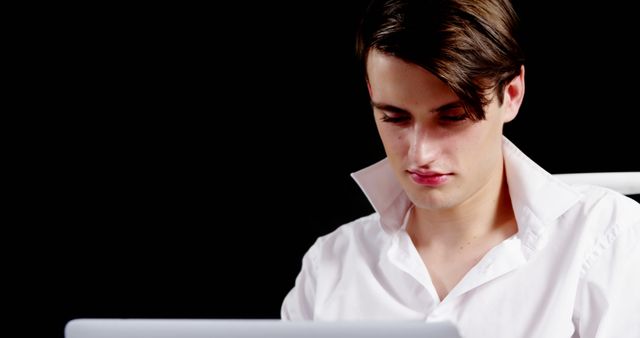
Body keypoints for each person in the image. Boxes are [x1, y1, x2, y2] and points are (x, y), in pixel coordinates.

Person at [281, 0, 639, 337]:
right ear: (371, 92)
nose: (420, 154)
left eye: (452, 117)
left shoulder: (605, 237)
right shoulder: (329, 265)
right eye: (394, 117)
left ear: (511, 94)